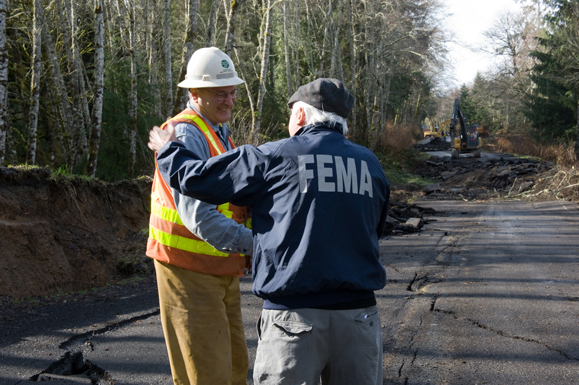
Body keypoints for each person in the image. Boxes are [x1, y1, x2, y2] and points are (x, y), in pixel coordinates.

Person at [148, 78, 390, 385]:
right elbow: (375, 229)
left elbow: (197, 181)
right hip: (360, 317)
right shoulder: (371, 164)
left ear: (300, 116)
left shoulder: (271, 157)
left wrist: (168, 150)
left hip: (293, 319)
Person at [146, 46, 252, 385]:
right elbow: (200, 216)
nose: (229, 101)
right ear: (195, 93)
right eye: (220, 94)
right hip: (188, 270)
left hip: (220, 265)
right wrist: (259, 244)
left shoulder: (218, 132)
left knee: (235, 367)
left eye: (232, 92)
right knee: (206, 373)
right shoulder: (187, 133)